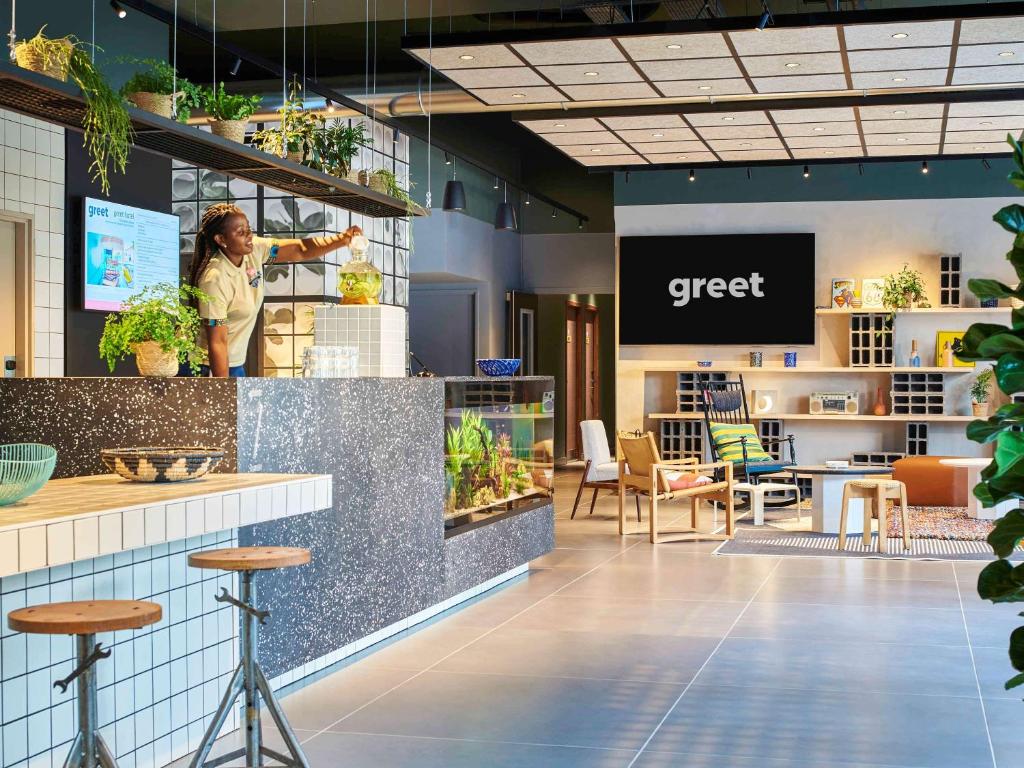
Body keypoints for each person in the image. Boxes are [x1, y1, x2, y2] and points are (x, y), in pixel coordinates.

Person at [182, 202, 362, 377]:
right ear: (221, 240)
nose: (249, 236)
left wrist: (342, 239)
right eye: (241, 232)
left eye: (249, 229)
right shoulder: (215, 278)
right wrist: (221, 389)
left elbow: (299, 250)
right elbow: (218, 342)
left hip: (234, 363)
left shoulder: (254, 250)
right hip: (204, 367)